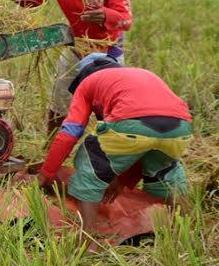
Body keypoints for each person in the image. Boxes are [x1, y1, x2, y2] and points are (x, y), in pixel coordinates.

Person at [37, 54, 192, 243]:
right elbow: (144, 144)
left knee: (90, 161)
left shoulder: (88, 83)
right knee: (166, 171)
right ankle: (184, 231)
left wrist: (48, 171)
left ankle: (87, 237)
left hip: (131, 125)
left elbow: (70, 132)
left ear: (83, 75)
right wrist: (122, 181)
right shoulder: (141, 75)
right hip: (180, 129)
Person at [2, 0, 133, 135]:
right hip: (76, 46)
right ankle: (50, 145)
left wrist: (106, 15)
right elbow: (33, 0)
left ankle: (110, 151)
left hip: (107, 50)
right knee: (60, 99)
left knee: (109, 107)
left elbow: (126, 20)